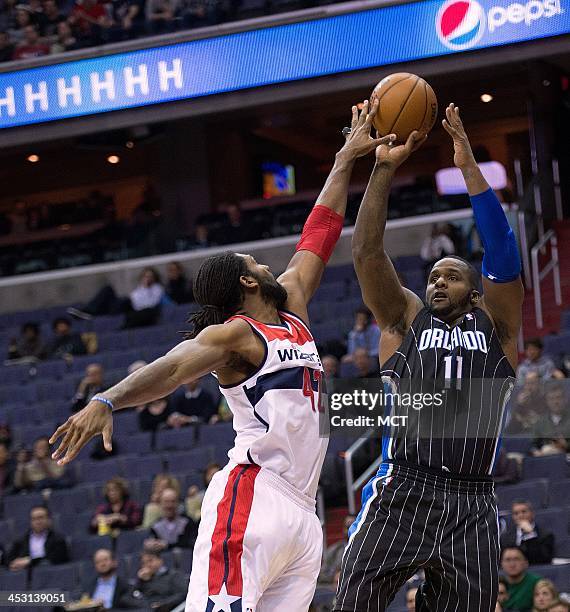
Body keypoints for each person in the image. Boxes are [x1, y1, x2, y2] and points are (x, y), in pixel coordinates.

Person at [49, 100, 395, 612]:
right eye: (256, 261)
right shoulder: (235, 334)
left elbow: (319, 233)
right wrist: (107, 399)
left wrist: (348, 159)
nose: (270, 263)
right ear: (247, 281)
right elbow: (172, 367)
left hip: (303, 513)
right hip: (255, 494)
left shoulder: (293, 312)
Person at [336, 103, 524, 612]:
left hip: (473, 500)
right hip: (406, 488)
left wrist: (468, 169)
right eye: (433, 275)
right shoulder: (405, 322)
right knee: (353, 602)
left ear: (476, 292)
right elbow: (367, 254)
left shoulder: (497, 328)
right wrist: (383, 168)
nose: (437, 280)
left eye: (452, 275)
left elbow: (504, 253)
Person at [7, 505, 69, 570]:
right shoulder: (21, 541)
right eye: (34, 519)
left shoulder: (58, 539)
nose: (37, 522)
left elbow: (57, 558)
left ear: (48, 520)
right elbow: (9, 560)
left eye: (40, 518)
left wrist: (30, 561)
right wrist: (15, 564)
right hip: (26, 575)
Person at [75, 548, 139, 610]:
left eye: (105, 560)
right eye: (98, 562)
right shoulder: (87, 586)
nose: (102, 564)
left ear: (114, 562)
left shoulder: (125, 586)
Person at [501, 500, 554, 565]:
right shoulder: (505, 538)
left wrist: (530, 534)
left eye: (524, 512)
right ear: (513, 517)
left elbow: (544, 560)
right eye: (516, 513)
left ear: (532, 514)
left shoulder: (546, 535)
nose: (520, 515)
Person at [531, 383, 570, 456]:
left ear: (564, 399)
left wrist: (566, 445)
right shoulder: (540, 422)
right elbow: (533, 445)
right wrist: (536, 452)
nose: (555, 402)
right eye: (551, 398)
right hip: (546, 458)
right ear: (546, 401)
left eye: (558, 397)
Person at [501, 547, 542, 612]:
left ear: (526, 563)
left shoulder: (537, 583)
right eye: (507, 560)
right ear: (501, 564)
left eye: (516, 559)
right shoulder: (496, 585)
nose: (512, 564)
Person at [319, 515, 356, 585]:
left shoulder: (367, 549)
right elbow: (322, 574)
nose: (350, 530)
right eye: (348, 527)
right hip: (336, 590)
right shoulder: (334, 550)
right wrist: (334, 576)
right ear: (343, 529)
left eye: (353, 526)